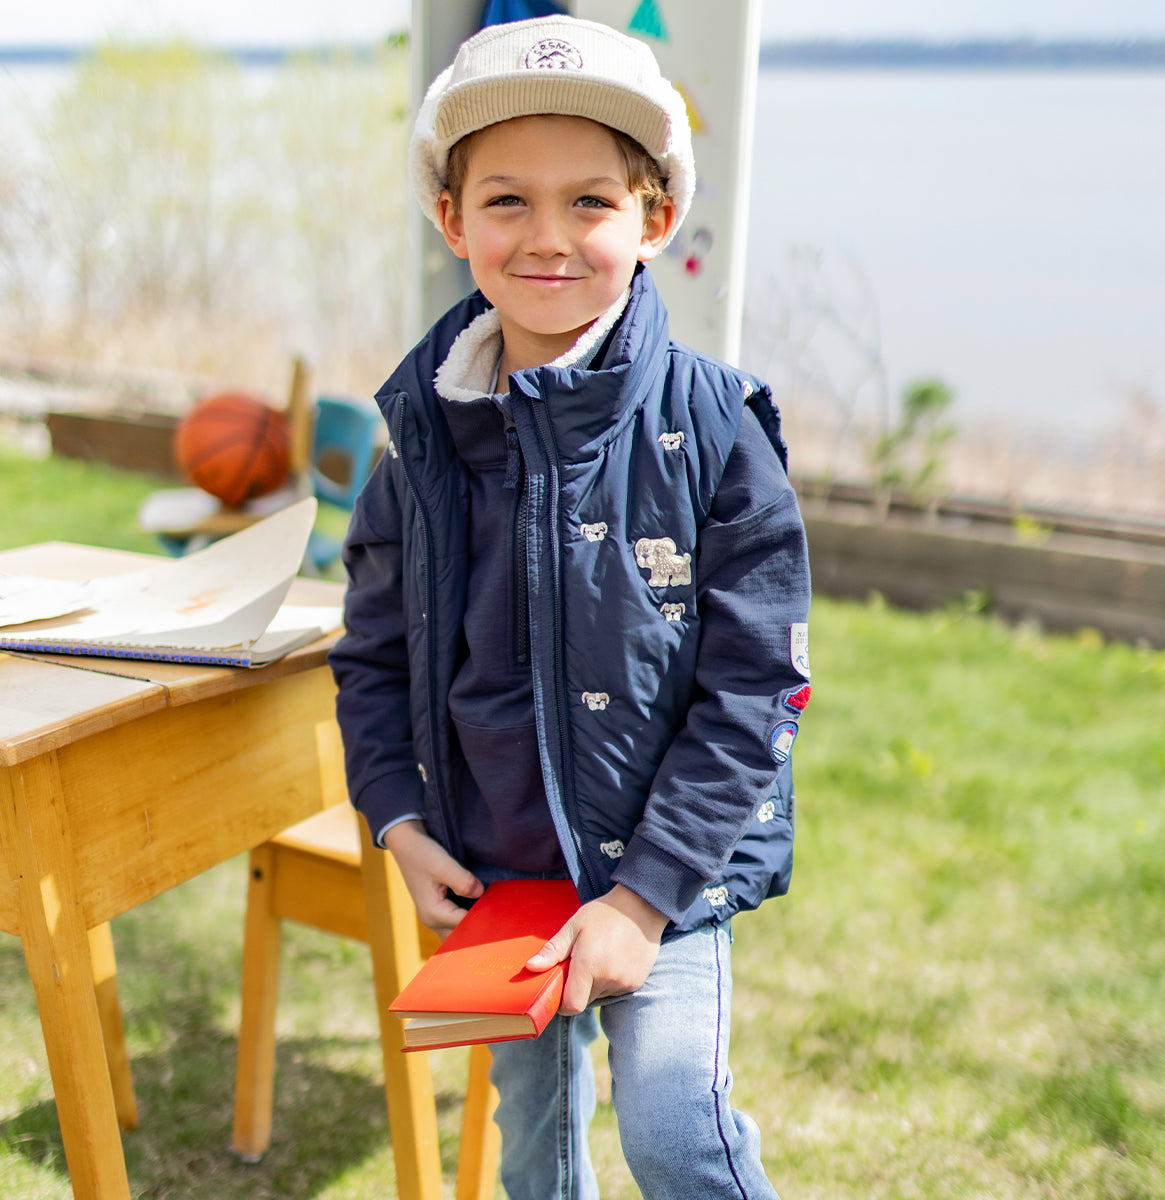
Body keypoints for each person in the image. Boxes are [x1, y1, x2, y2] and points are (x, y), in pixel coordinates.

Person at [330, 15, 811, 1199]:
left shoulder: (714, 429)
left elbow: (757, 688)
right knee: (533, 1146)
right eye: (507, 202)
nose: (548, 239)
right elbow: (373, 657)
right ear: (451, 219)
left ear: (653, 219)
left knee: (672, 1130)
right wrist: (396, 816)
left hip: (670, 876)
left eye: (589, 202)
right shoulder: (418, 447)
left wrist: (645, 900)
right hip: (501, 877)